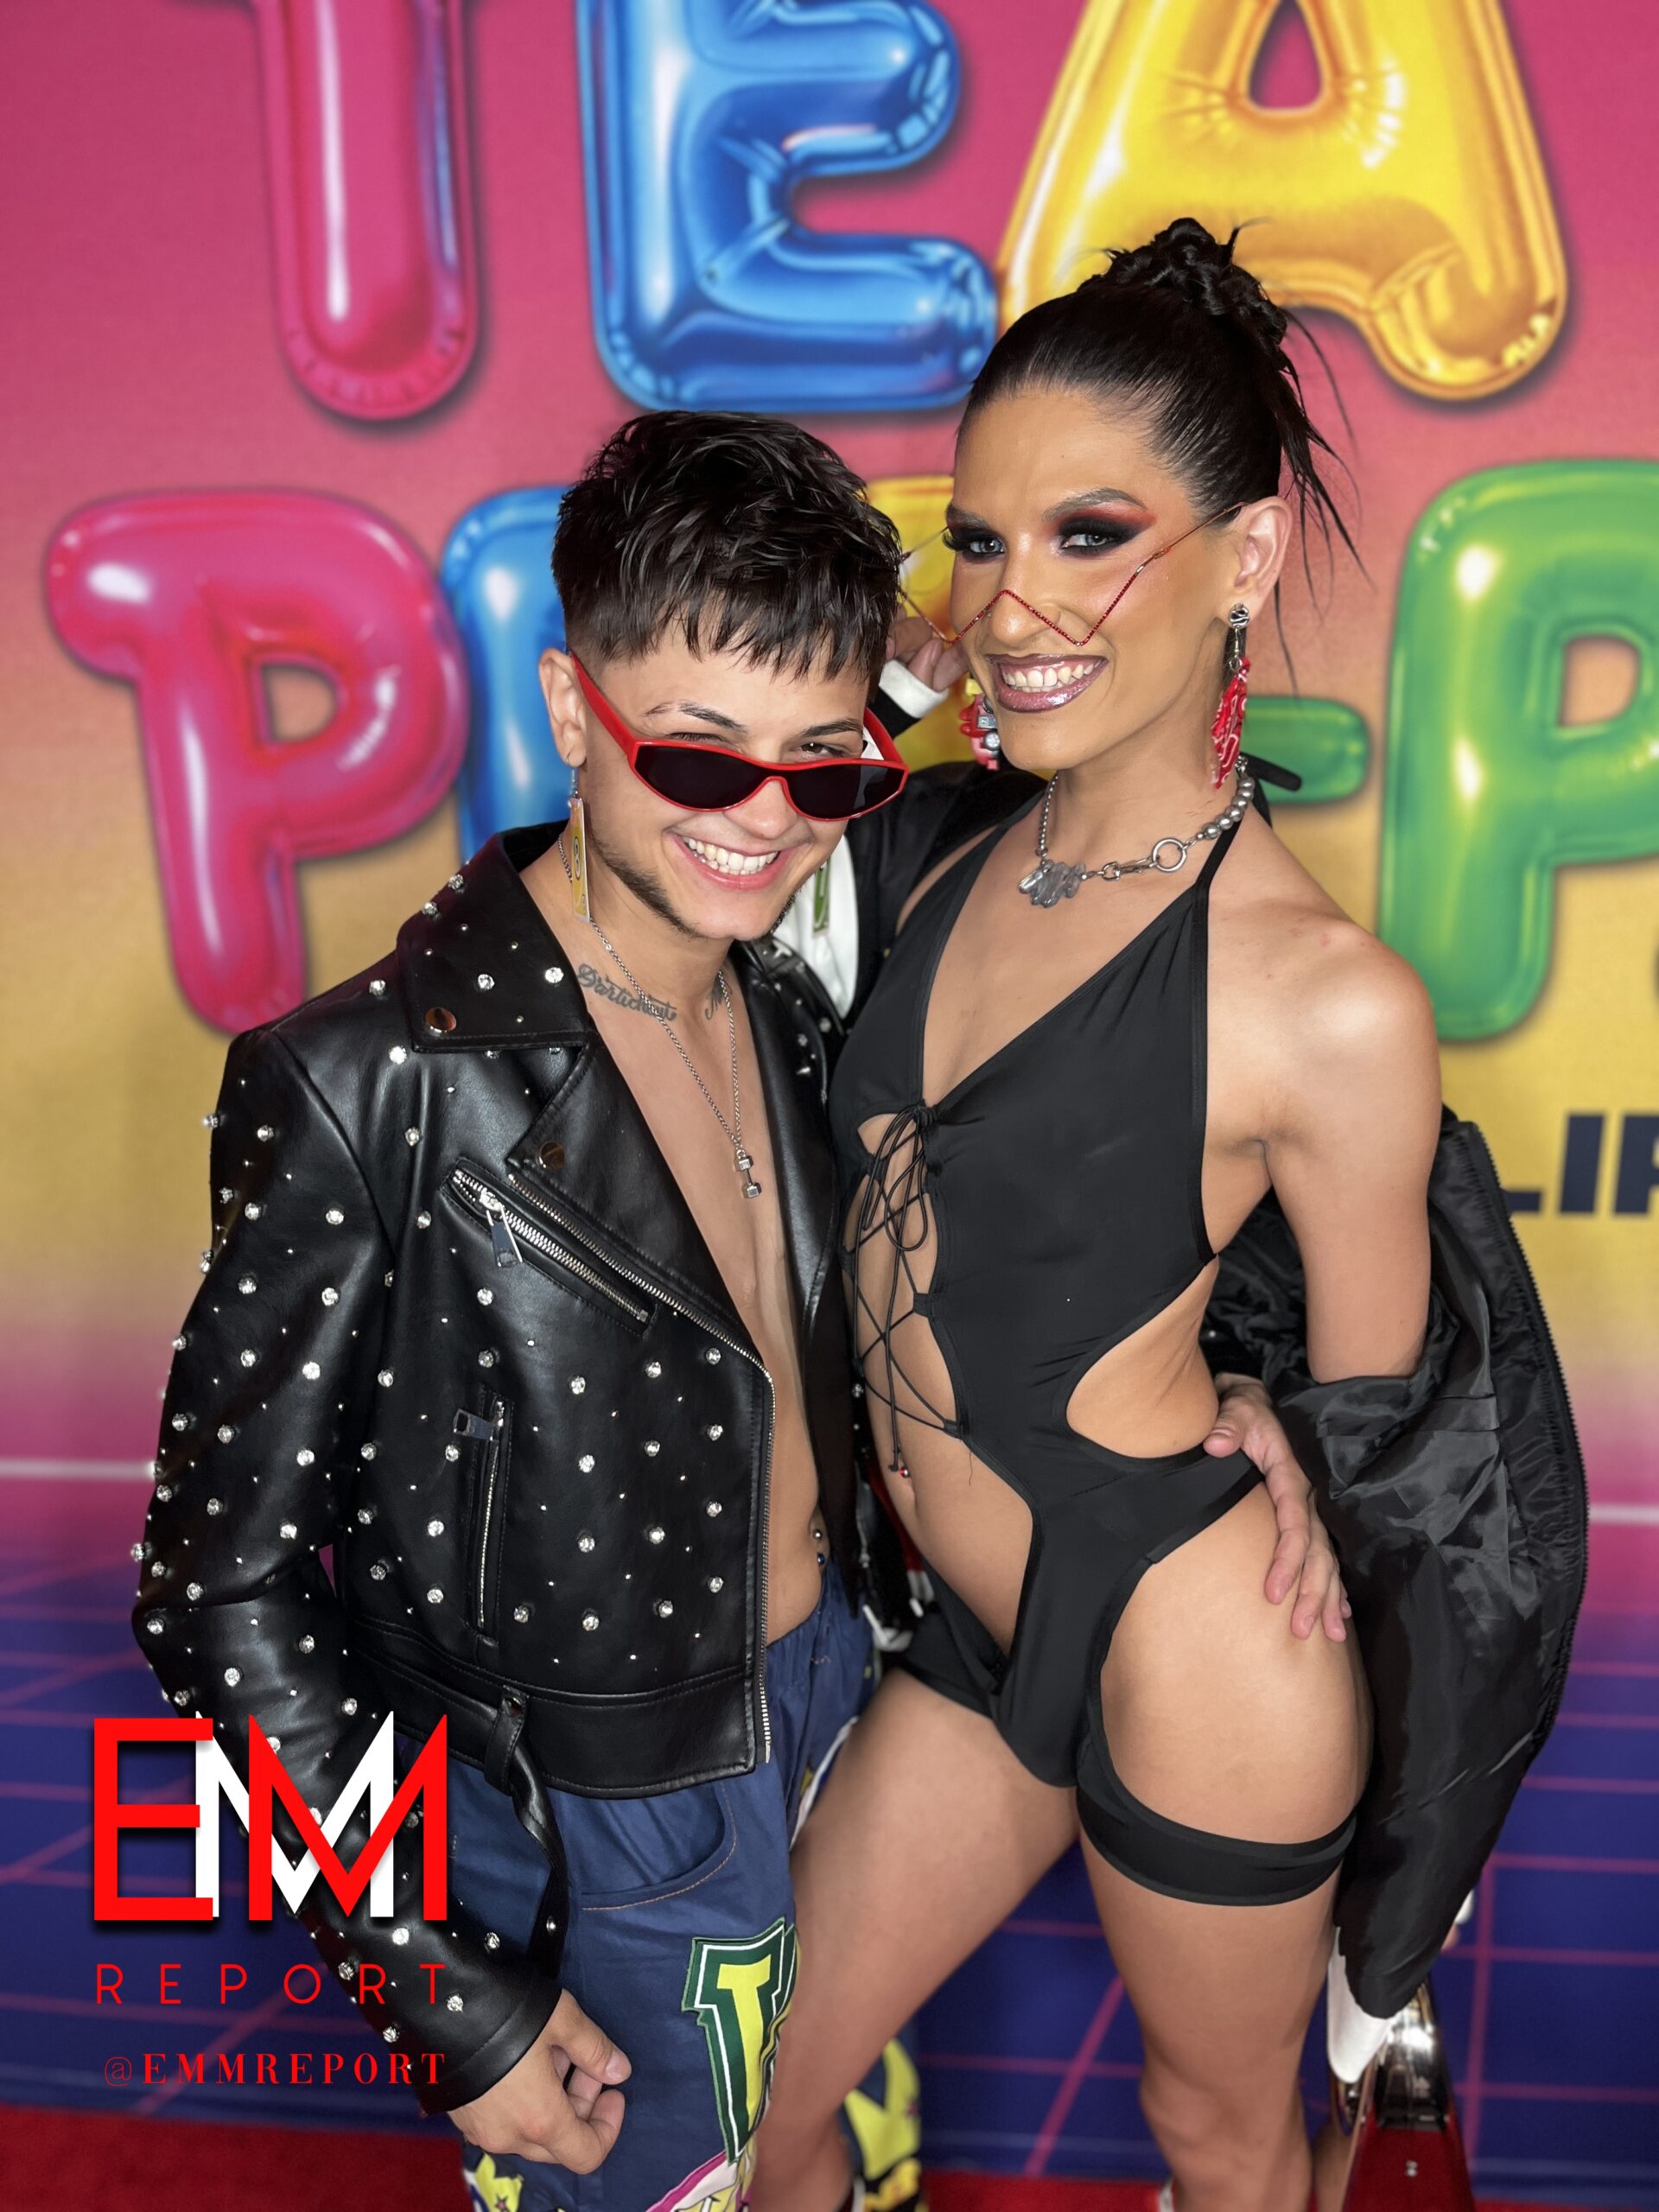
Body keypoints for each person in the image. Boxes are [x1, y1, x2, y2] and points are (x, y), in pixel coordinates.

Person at [132, 405, 1350, 2212]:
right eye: (698, 760)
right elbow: (216, 1597)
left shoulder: (793, 986)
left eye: (821, 769)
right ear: (568, 711)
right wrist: (438, 1991)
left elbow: (1096, 1156)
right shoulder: (372, 1077)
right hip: (589, 1821)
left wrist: (1235, 1386)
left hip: (849, 1722)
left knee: (832, 2165)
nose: (764, 822)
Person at [753, 219, 1446, 2212]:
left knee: (1220, 2138)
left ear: (1246, 557)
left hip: (1201, 1651)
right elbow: (720, 812)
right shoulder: (932, 850)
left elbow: (1397, 1454)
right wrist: (944, 649)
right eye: (979, 541)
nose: (1016, 599)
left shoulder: (1326, 998)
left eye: (1091, 534)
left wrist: (1285, 1429)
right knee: (754, 2099)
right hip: (975, 1632)